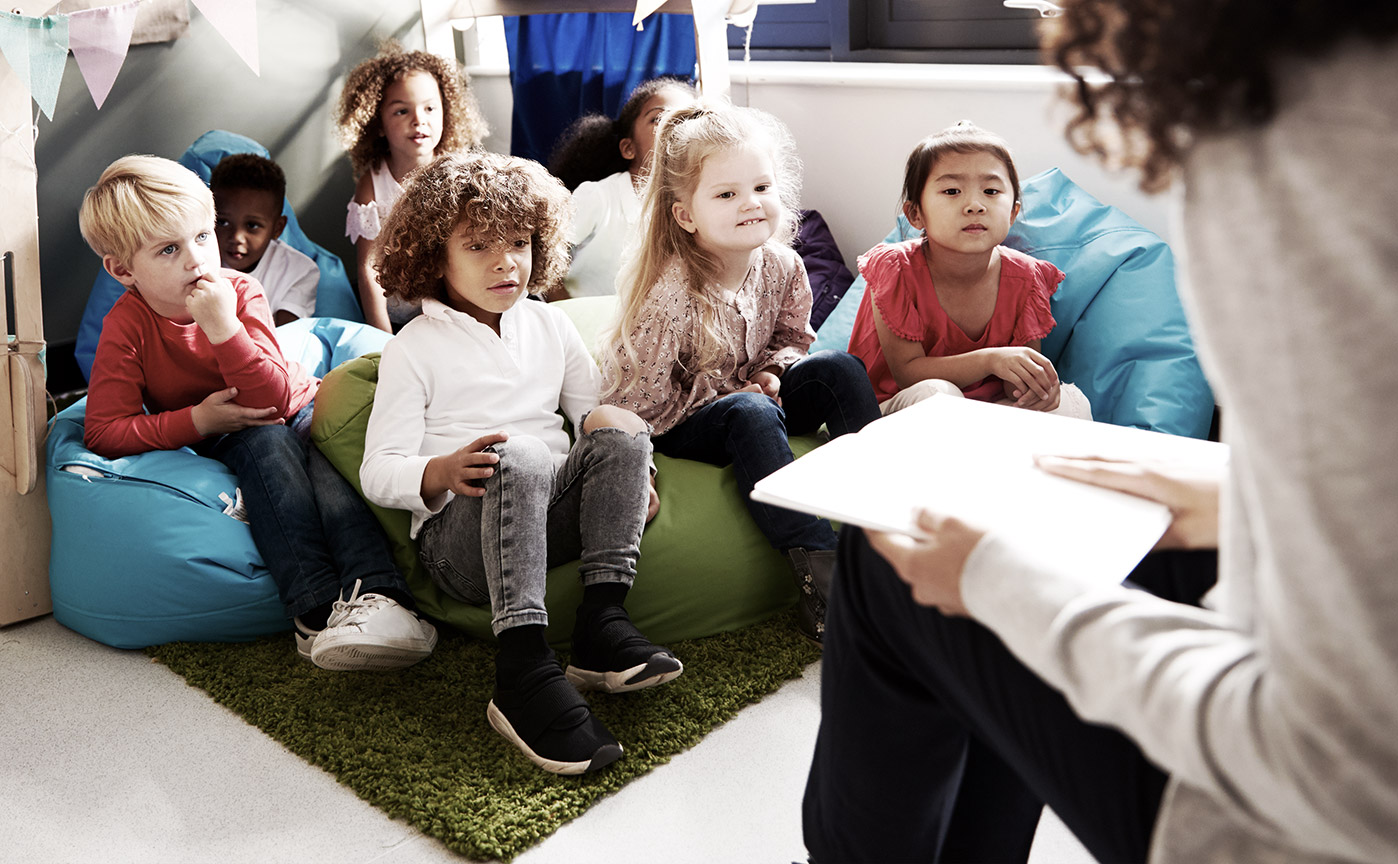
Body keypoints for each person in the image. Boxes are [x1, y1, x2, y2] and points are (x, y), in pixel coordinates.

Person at [802, 3, 1398, 863]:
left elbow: (1394, 786)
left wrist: (1009, 589)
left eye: (990, 189)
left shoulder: (1334, 161)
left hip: (1314, 827)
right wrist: (1248, 502)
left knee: (894, 554)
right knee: (1041, 523)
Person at [360, 152, 679, 776]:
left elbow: (593, 417)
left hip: (551, 516)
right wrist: (441, 471)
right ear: (434, 255)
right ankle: (523, 669)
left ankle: (600, 625)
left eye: (519, 241)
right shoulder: (413, 348)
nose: (506, 260)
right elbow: (378, 469)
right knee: (521, 453)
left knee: (620, 424)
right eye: (478, 245)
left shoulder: (549, 324)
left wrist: (636, 476)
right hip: (466, 549)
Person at [79, 155, 436, 673]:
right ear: (122, 269)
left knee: (326, 452)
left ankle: (381, 595)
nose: (197, 260)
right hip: (230, 431)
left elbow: (274, 396)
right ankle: (314, 607)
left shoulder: (241, 292)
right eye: (169, 249)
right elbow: (103, 431)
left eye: (203, 236)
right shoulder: (127, 327)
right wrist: (197, 422)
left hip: (292, 404)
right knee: (266, 445)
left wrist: (224, 329)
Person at [600, 104, 882, 645]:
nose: (751, 203)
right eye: (726, 195)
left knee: (839, 369)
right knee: (747, 412)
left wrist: (776, 373)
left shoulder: (782, 265)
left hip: (756, 396)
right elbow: (637, 401)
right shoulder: (673, 291)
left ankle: (885, 525)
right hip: (680, 421)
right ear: (687, 215)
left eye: (761, 186)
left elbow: (793, 339)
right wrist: (640, 468)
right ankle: (822, 575)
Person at [847, 122, 1091, 419]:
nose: (974, 205)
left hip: (986, 412)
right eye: (952, 191)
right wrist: (991, 360)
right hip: (896, 406)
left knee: (1072, 402)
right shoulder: (895, 269)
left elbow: (1017, 387)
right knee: (938, 394)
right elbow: (908, 374)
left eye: (990, 191)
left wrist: (1034, 388)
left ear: (1013, 212)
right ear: (915, 214)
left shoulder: (1027, 278)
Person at [334, 41, 489, 333]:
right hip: (396, 312)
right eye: (401, 111)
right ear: (378, 123)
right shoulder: (374, 182)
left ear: (447, 113)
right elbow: (368, 269)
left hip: (453, 306)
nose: (419, 120)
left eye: (430, 108)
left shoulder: (457, 172)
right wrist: (382, 338)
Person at [546, 77, 698, 301]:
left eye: (687, 119)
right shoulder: (599, 197)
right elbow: (544, 256)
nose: (675, 126)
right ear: (628, 148)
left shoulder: (700, 204)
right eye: (659, 118)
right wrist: (567, 311)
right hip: (586, 322)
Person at [210, 153, 319, 326]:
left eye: (252, 225)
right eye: (223, 222)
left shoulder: (300, 271)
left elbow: (285, 339)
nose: (236, 237)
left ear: (277, 228)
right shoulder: (198, 262)